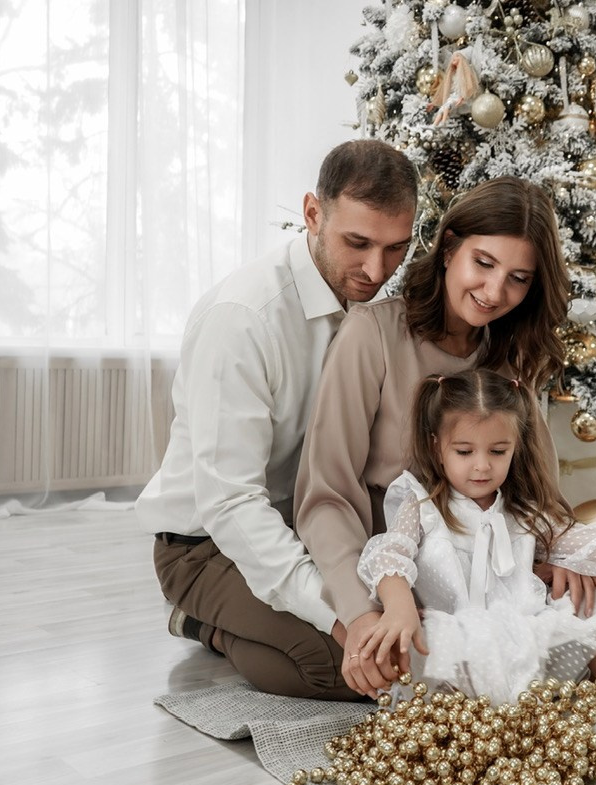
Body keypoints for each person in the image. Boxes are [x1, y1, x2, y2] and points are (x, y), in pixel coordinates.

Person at [294, 176, 596, 700]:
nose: (495, 292)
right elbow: (326, 495)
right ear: (450, 246)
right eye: (483, 263)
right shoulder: (373, 334)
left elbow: (535, 481)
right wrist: (363, 612)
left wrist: (562, 553)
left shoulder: (509, 350)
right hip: (421, 564)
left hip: (504, 553)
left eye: (518, 277)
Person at [134, 140, 418, 698]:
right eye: (356, 243)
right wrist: (344, 617)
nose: (376, 269)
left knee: (408, 643)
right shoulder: (243, 319)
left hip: (316, 527)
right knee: (340, 665)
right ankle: (203, 622)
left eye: (396, 249)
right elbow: (231, 504)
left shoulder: (380, 307)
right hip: (205, 544)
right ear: (312, 213)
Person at [356, 369, 596, 761]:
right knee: (447, 681)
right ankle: (573, 738)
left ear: (515, 447)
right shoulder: (420, 502)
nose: (481, 466)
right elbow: (390, 553)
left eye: (497, 452)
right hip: (453, 636)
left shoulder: (519, 507)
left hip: (522, 626)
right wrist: (397, 605)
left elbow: (578, 538)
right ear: (435, 445)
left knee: (591, 599)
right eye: (464, 452)